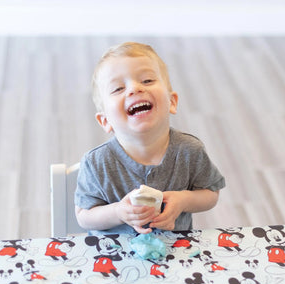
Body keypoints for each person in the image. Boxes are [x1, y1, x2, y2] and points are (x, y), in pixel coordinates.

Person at [74, 42, 225, 234]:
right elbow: (84, 216)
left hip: (174, 253)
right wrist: (118, 212)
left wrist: (183, 200)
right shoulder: (96, 163)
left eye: (147, 81)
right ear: (105, 121)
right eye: (118, 88)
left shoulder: (190, 150)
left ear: (172, 102)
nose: (134, 89)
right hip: (113, 258)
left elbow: (211, 193)